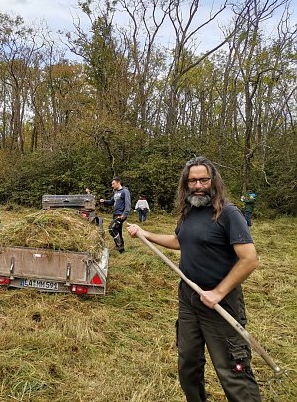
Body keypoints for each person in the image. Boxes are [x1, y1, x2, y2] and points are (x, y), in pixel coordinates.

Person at [126, 156, 261, 402]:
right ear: (185, 184)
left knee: (232, 369)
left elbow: (249, 259)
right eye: (192, 181)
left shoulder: (228, 214)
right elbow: (180, 241)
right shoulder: (189, 211)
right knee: (188, 363)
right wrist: (145, 233)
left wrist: (218, 293)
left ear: (214, 181)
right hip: (189, 299)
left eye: (203, 180)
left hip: (220, 303)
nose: (198, 185)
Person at [99, 177, 131, 253]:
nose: (112, 186)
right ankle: (121, 249)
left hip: (121, 215)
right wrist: (104, 201)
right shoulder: (116, 192)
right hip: (115, 214)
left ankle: (120, 248)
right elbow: (111, 202)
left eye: (113, 184)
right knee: (118, 231)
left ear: (118, 182)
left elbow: (128, 203)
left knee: (111, 229)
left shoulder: (125, 191)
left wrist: (125, 214)